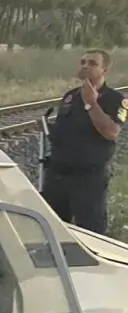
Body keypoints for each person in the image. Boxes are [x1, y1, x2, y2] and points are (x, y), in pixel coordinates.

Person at [41, 48, 125, 235]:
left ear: (105, 70)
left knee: (91, 232)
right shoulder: (70, 96)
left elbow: (111, 132)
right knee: (52, 229)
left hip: (88, 179)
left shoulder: (115, 99)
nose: (86, 66)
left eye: (93, 63)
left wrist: (91, 104)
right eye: (83, 62)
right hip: (58, 175)